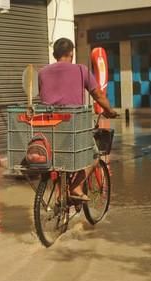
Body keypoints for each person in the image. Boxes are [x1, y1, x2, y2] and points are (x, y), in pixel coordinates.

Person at [38, 37, 117, 201]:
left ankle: (61, 194)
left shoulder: (42, 72)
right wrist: (109, 111)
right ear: (71, 54)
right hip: (72, 128)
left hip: (48, 129)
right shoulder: (81, 70)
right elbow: (98, 95)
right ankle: (75, 187)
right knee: (94, 156)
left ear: (55, 55)